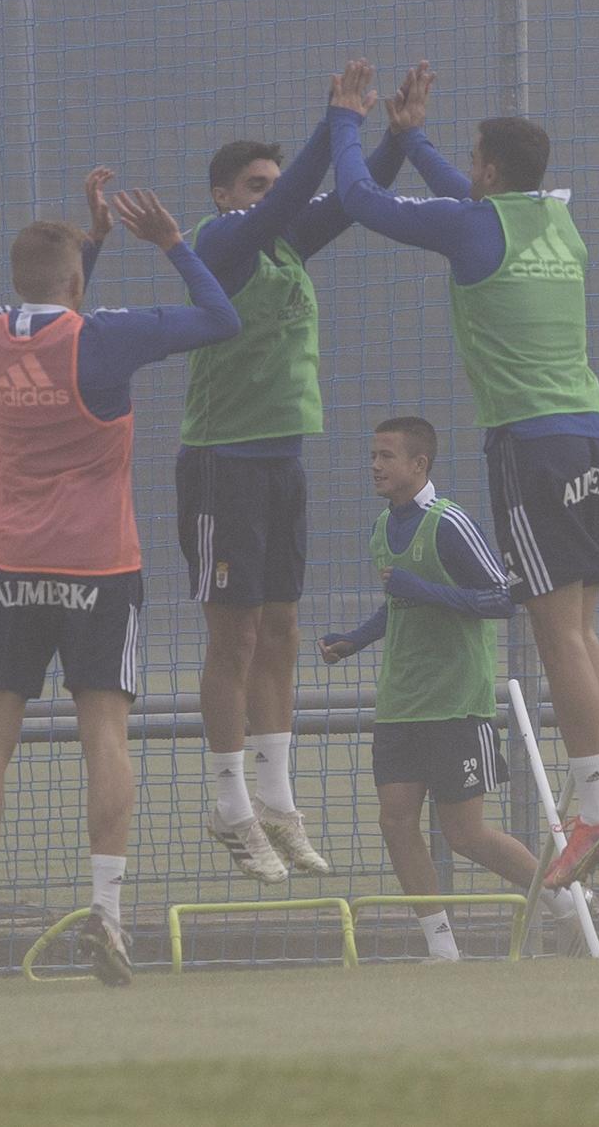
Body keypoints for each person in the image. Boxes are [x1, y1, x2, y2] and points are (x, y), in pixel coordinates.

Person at [326, 59, 599, 891]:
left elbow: (360, 203)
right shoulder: (558, 224)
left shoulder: (470, 229)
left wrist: (346, 124)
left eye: (473, 160)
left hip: (532, 447)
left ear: (490, 171)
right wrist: (415, 136)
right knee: (585, 629)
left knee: (555, 634)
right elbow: (471, 197)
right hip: (597, 444)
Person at [0, 180, 241, 985]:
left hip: (8, 561)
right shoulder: (107, 339)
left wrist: (88, 245)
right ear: (78, 281)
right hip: (97, 566)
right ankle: (108, 915)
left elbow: (54, 318)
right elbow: (221, 319)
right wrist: (171, 243)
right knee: (104, 740)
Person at [180, 75, 422, 883]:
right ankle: (230, 805)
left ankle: (279, 804)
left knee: (280, 625)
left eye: (272, 183)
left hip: (283, 460)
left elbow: (351, 198)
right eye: (255, 184)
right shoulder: (222, 242)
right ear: (224, 195)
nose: (270, 195)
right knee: (235, 633)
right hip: (224, 461)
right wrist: (333, 124)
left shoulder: (285, 239)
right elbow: (290, 203)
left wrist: (391, 138)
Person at [319, 418, 588, 960]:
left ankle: (565, 900)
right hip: (400, 703)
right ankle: (442, 946)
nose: (375, 465)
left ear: (420, 465)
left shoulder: (449, 524)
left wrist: (427, 590)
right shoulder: (381, 528)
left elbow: (500, 599)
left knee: (464, 834)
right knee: (395, 822)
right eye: (373, 454)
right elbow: (400, 606)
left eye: (387, 456)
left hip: (454, 703)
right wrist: (355, 640)